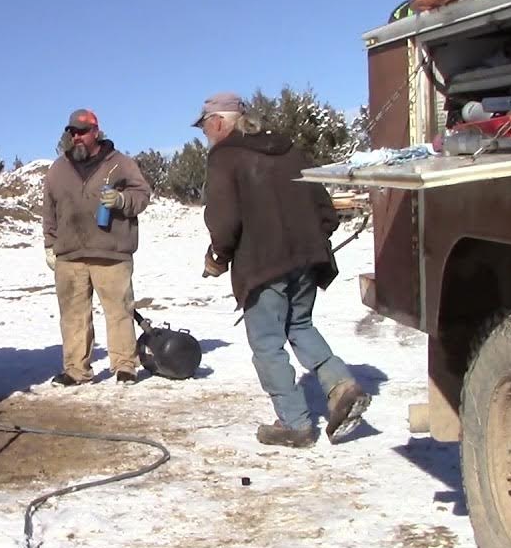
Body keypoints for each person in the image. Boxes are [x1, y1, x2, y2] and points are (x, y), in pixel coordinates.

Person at [194, 92, 371, 447]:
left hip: (262, 264)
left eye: (205, 127)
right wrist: (309, 239)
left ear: (218, 122)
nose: (205, 134)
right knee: (300, 325)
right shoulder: (288, 149)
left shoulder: (224, 157)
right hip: (306, 257)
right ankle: (341, 385)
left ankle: (294, 423)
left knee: (267, 343)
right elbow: (325, 209)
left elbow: (224, 221)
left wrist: (218, 256)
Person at [42, 108, 152, 386]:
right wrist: (49, 244)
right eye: (72, 132)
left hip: (111, 252)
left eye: (82, 131)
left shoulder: (120, 163)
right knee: (73, 316)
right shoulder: (58, 168)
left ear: (95, 131)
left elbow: (142, 194)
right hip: (70, 254)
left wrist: (122, 200)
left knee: (119, 311)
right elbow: (49, 209)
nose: (76, 137)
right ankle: (75, 370)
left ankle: (125, 366)